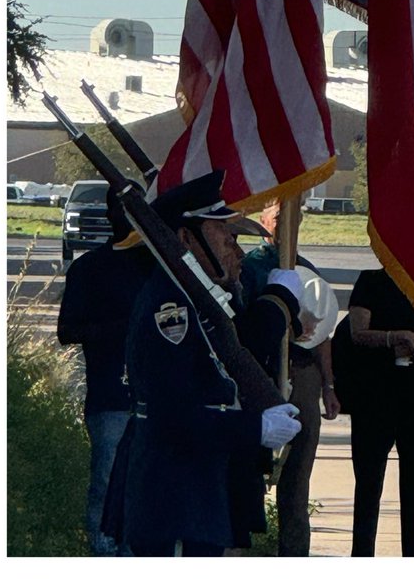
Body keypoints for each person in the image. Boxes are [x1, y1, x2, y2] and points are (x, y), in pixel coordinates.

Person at [114, 172, 303, 556]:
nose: (235, 250)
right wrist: (254, 428)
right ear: (186, 239)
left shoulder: (195, 300)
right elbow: (174, 414)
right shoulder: (172, 309)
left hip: (195, 494)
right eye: (225, 236)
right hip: (174, 496)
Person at [240, 202, 341, 557]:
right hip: (264, 377)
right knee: (250, 471)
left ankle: (294, 555)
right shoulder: (251, 267)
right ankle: (242, 550)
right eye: (279, 218)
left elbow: (323, 333)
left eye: (293, 218)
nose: (286, 225)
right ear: (264, 222)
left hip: (303, 377)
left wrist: (328, 385)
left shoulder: (307, 270)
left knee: (297, 480)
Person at [56, 191, 154, 554]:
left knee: (149, 487)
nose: (127, 217)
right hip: (109, 397)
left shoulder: (159, 266)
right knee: (106, 481)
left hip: (157, 399)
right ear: (109, 213)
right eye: (121, 208)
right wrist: (121, 327)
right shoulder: (88, 268)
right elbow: (66, 332)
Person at [345, 262, 414, 556]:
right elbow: (358, 332)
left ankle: (413, 558)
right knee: (368, 486)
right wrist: (395, 337)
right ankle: (362, 555)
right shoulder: (370, 280)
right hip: (374, 394)